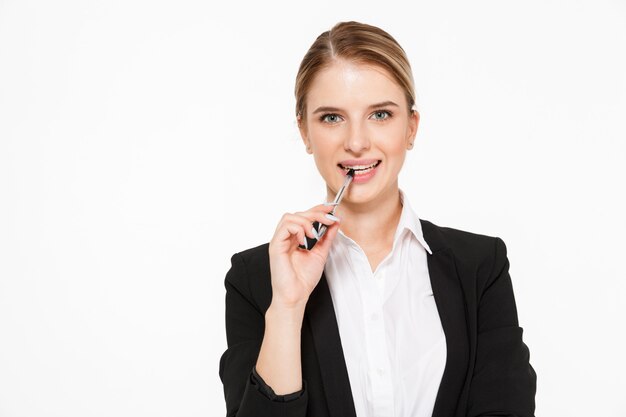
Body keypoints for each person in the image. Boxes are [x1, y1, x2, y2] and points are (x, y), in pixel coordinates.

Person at [219, 21, 536, 417]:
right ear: (304, 131)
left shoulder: (480, 267)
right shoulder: (255, 278)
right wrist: (287, 306)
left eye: (381, 114)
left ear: (411, 127)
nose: (356, 142)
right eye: (332, 118)